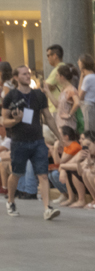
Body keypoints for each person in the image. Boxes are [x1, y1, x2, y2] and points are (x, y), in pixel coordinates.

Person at [2, 63, 61, 220]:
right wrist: (15, 120)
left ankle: (47, 207)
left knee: (42, 174)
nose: (27, 76)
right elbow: (5, 121)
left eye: (28, 74)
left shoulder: (38, 95)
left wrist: (59, 137)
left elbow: (48, 117)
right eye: (23, 74)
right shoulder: (11, 96)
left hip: (37, 140)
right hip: (19, 141)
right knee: (16, 173)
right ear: (16, 77)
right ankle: (11, 201)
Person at [76, 53, 95, 134]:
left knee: (87, 133)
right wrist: (82, 76)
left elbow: (80, 96)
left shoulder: (88, 78)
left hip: (87, 107)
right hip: (92, 107)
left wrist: (82, 77)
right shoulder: (94, 76)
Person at [54, 63, 80, 136]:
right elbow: (58, 105)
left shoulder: (71, 89)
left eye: (57, 75)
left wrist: (69, 114)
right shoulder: (64, 89)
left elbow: (77, 102)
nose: (56, 77)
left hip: (67, 124)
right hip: (61, 122)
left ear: (62, 77)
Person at [43, 43, 64, 112]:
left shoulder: (57, 70)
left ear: (55, 56)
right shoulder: (66, 67)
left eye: (48, 55)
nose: (47, 58)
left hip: (56, 108)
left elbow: (45, 87)